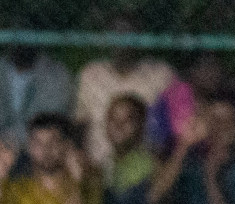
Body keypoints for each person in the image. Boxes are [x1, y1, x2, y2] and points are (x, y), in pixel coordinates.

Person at [73, 14, 175, 168]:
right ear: (106, 38)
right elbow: (80, 123)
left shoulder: (160, 74)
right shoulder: (91, 74)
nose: (122, 39)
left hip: (145, 166)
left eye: (128, 33)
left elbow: (176, 125)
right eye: (116, 32)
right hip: (97, 164)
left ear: (140, 37)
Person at [0, 46, 73, 153]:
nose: (21, 41)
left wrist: (8, 142)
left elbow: (50, 122)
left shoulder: (56, 73)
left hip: (39, 153)